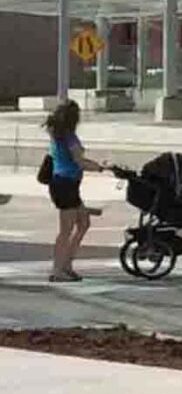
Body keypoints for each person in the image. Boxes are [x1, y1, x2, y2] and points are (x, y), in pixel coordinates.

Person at [41, 99, 107, 283]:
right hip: (65, 185)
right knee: (66, 230)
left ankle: (66, 264)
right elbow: (80, 162)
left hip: (65, 185)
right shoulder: (69, 138)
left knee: (83, 222)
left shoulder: (57, 134)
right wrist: (100, 167)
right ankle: (57, 270)